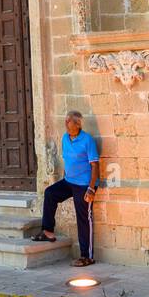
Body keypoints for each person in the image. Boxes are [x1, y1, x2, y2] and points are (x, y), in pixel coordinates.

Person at [34, 110, 98, 266]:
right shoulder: (64, 138)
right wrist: (64, 177)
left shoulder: (87, 140)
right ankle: (48, 231)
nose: (66, 123)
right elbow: (67, 161)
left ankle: (86, 256)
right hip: (69, 181)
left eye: (69, 121)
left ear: (77, 124)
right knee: (50, 193)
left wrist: (91, 188)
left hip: (84, 184)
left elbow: (95, 166)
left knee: (83, 217)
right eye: (66, 120)